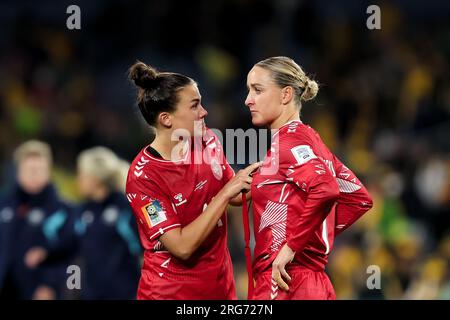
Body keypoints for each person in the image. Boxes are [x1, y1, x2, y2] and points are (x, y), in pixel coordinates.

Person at [126, 61, 260, 300]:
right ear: (167, 119)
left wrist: (283, 174)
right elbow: (182, 247)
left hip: (220, 287)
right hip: (171, 294)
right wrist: (227, 193)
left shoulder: (207, 140)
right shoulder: (143, 177)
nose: (204, 112)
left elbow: (236, 191)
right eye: (195, 105)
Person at [244, 56, 373, 300]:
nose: (248, 100)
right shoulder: (313, 141)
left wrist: (293, 246)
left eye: (257, 90)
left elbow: (326, 189)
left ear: (285, 95)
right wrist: (309, 239)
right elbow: (358, 197)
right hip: (315, 282)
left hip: (284, 279)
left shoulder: (289, 141)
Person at [0, 140, 77, 299]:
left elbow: (70, 255)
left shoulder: (63, 210)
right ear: (18, 171)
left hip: (42, 292)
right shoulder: (4, 206)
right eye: (29, 170)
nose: (34, 175)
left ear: (48, 171)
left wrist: (51, 285)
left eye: (39, 170)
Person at [74, 146, 142, 299]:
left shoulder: (126, 208)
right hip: (91, 296)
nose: (78, 180)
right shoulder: (82, 211)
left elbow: (144, 252)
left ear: (95, 178)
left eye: (82, 174)